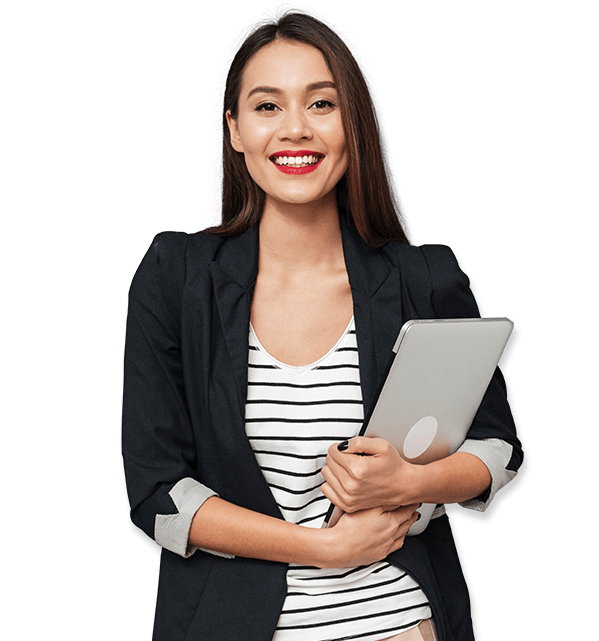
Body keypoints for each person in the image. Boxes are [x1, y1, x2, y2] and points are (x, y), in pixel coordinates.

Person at [121, 9, 524, 641]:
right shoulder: (176, 277)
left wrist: (413, 481)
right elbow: (157, 499)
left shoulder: (427, 277)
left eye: (322, 104)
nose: (297, 130)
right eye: (267, 107)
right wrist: (325, 548)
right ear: (234, 130)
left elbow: (498, 455)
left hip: (399, 622)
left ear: (352, 123)